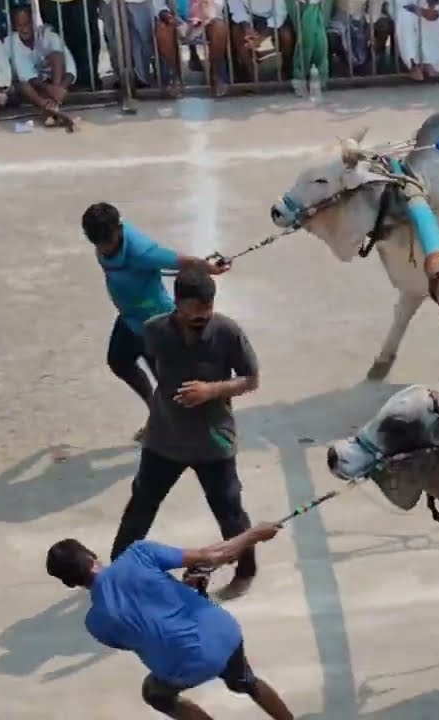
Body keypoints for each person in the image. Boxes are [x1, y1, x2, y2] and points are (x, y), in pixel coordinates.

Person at [109, 268, 263, 599]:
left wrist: (212, 390)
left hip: (213, 442)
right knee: (141, 506)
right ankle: (118, 569)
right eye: (194, 312)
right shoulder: (154, 331)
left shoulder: (226, 332)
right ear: (177, 304)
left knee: (230, 513)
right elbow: (128, 360)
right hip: (163, 439)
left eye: (207, 309)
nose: (202, 317)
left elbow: (251, 379)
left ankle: (246, 568)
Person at [45, 525, 296, 720]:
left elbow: (144, 634)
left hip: (185, 666)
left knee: (154, 693)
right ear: (91, 555)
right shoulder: (138, 553)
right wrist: (255, 534)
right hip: (223, 634)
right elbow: (210, 555)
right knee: (247, 682)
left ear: (69, 583)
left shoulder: (96, 624)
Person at [82, 201, 228, 439]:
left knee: (172, 384)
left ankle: (205, 429)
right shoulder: (103, 240)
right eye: (98, 243)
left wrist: (209, 267)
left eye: (107, 241)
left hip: (156, 323)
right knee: (119, 362)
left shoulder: (141, 251)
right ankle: (157, 413)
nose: (104, 248)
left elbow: (180, 262)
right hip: (130, 319)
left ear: (118, 230)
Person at [7, 4, 77, 129]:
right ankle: (46, 106)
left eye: (27, 24)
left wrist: (59, 88)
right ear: (14, 26)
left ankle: (53, 106)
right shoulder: (11, 42)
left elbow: (70, 66)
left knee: (56, 54)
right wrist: (48, 89)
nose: (24, 29)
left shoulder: (48, 35)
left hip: (54, 79)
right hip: (32, 84)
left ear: (33, 22)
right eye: (20, 25)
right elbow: (26, 77)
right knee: (22, 84)